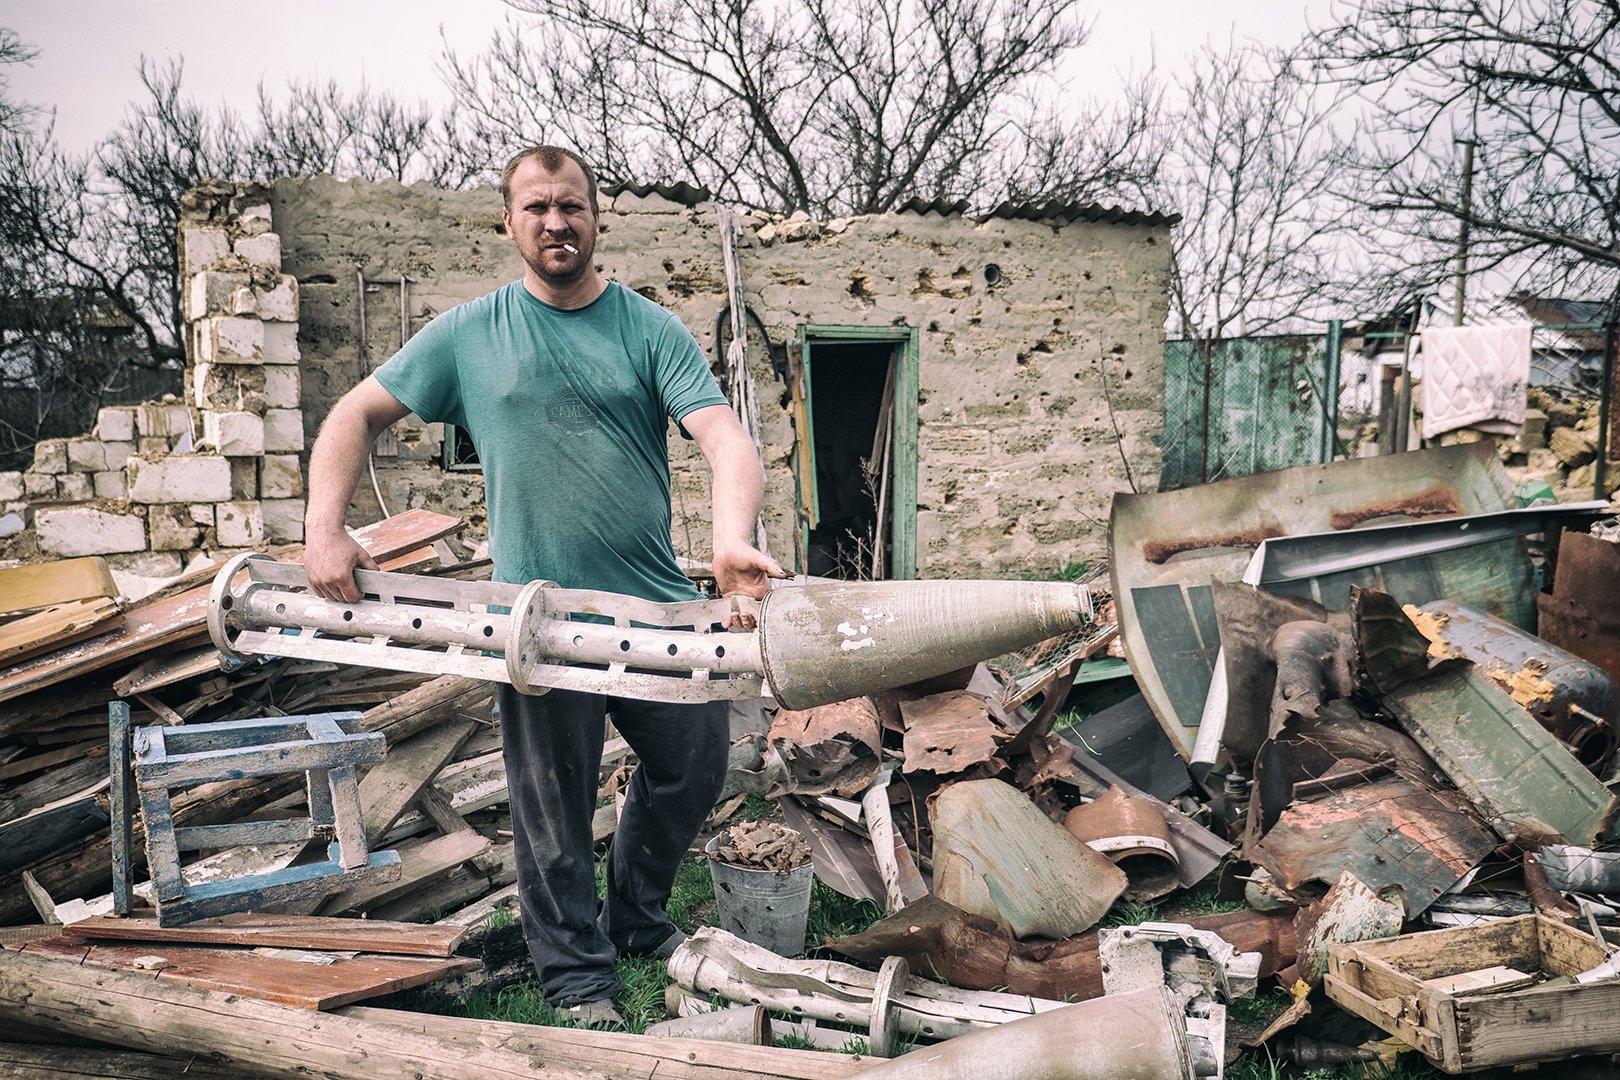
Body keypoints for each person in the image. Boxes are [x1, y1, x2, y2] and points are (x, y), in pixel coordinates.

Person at [302, 145, 784, 1026]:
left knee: (693, 766)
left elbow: (725, 438)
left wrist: (729, 539)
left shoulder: (649, 329)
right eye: (537, 208)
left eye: (571, 206)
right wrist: (324, 526)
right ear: (509, 222)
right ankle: (576, 978)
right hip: (537, 619)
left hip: (653, 608)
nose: (556, 223)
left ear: (598, 218)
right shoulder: (468, 334)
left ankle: (635, 917)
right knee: (552, 807)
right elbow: (355, 413)